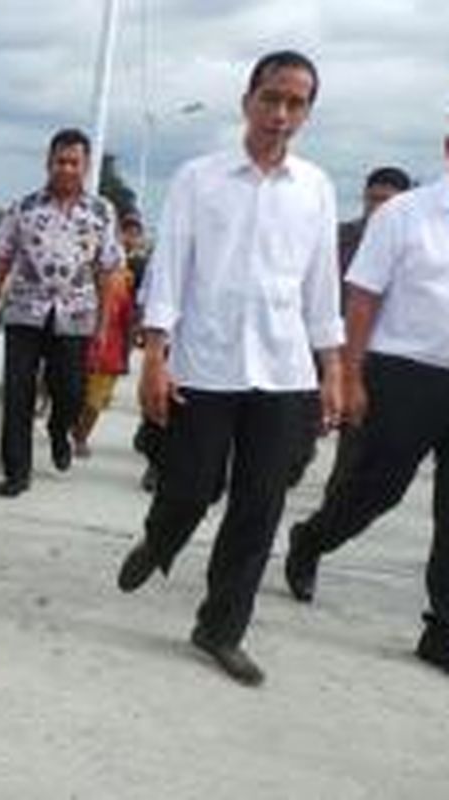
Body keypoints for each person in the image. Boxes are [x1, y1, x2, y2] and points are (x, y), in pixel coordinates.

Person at [116, 50, 344, 687]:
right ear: (248, 100)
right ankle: (160, 539)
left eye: (295, 103)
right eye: (271, 98)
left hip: (283, 369)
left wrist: (332, 371)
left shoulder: (317, 188)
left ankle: (219, 629)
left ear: (306, 112)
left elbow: (322, 289)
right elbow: (171, 271)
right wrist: (154, 357)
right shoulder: (198, 177)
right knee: (189, 486)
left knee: (259, 506)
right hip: (206, 361)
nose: (280, 113)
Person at [284, 133, 449, 675]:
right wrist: (350, 373)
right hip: (404, 371)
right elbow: (363, 297)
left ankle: (442, 629)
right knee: (379, 488)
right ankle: (312, 539)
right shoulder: (405, 214)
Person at [0, 128, 124, 496]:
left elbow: (107, 271)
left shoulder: (101, 212)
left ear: (86, 167)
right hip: (25, 311)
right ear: (48, 162)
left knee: (70, 391)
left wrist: (103, 324)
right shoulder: (23, 208)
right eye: (61, 161)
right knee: (19, 394)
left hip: (76, 316)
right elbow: (2, 259)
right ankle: (17, 472)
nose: (67, 169)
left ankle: (60, 431)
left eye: (75, 162)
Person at [288, 165, 414, 487]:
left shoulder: (414, 248)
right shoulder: (338, 238)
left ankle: (335, 499)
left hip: (372, 355)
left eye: (387, 201)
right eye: (373, 199)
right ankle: (294, 459)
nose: (379, 208)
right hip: (321, 345)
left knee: (354, 444)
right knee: (299, 430)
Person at [71, 259, 136, 458]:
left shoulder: (122, 283)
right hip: (78, 348)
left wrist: (126, 356)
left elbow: (128, 324)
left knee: (94, 403)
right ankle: (73, 429)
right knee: (75, 396)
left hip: (108, 355)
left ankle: (81, 437)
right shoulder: (78, 279)